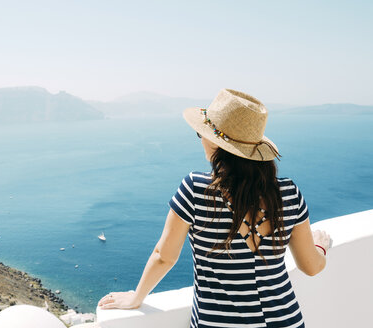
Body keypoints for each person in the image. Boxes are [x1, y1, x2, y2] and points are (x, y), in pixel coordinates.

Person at [97, 88, 331, 328]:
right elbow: (311, 266)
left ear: (216, 143)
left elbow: (164, 256)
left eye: (202, 133)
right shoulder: (289, 193)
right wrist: (320, 247)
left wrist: (137, 297)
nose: (201, 138)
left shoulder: (196, 189)